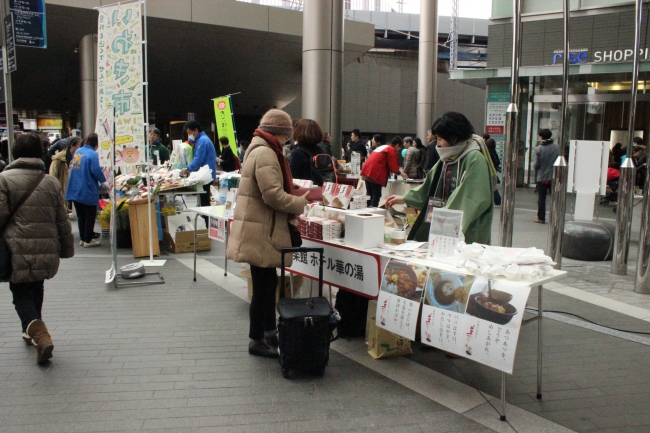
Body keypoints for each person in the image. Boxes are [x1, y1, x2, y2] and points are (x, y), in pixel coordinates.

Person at [226, 109, 309, 358]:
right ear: (279, 134)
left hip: (258, 226)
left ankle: (269, 333)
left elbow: (269, 186)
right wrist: (299, 202)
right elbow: (272, 194)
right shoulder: (266, 153)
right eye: (286, 136)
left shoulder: (259, 148)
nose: (287, 141)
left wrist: (290, 188)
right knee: (263, 288)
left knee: (266, 283)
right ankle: (257, 338)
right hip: (261, 228)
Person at [0, 132, 74, 364]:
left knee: (20, 292)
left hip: (16, 247)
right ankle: (31, 329)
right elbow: (62, 219)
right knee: (36, 287)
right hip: (45, 246)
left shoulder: (3, 179)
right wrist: (66, 247)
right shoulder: (50, 182)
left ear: (14, 153)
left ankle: (39, 334)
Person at [386, 112, 495, 244]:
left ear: (454, 138)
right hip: (444, 223)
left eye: (439, 139)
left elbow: (472, 197)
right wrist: (405, 198)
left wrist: (446, 215)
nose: (437, 144)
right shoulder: (448, 157)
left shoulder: (475, 159)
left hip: (468, 228)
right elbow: (430, 186)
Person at [66, 133, 105, 247]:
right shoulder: (93, 155)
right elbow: (97, 171)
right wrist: (104, 181)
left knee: (81, 215)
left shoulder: (79, 151)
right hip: (87, 189)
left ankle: (83, 238)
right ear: (96, 143)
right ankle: (88, 239)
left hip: (75, 188)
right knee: (90, 215)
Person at [180, 121, 217, 208]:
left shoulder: (202, 141)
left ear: (195, 130)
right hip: (207, 174)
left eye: (189, 133)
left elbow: (198, 160)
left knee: (204, 201)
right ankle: (205, 219)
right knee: (204, 200)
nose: (189, 135)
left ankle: (206, 220)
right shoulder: (203, 139)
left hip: (205, 176)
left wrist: (187, 169)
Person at [360, 139, 400, 207]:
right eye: (399, 147)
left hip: (367, 171)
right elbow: (393, 165)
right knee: (376, 195)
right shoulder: (391, 149)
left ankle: (367, 211)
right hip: (375, 174)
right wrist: (400, 173)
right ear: (397, 145)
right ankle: (372, 214)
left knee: (369, 194)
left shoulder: (383, 147)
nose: (399, 149)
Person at [533, 129, 559, 224]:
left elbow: (536, 164)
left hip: (542, 177)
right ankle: (556, 217)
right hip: (554, 176)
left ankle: (541, 218)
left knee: (541, 198)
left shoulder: (538, 149)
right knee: (556, 198)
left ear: (541, 137)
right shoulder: (557, 147)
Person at [289, 119, 325, 185]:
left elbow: (293, 177)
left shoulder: (297, 153)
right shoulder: (322, 151)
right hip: (323, 189)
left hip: (306, 191)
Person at [485, 138, 502, 207]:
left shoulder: (488, 152)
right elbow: (497, 161)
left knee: (492, 187)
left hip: (489, 172)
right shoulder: (494, 151)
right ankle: (497, 200)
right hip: (494, 171)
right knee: (493, 187)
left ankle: (498, 200)